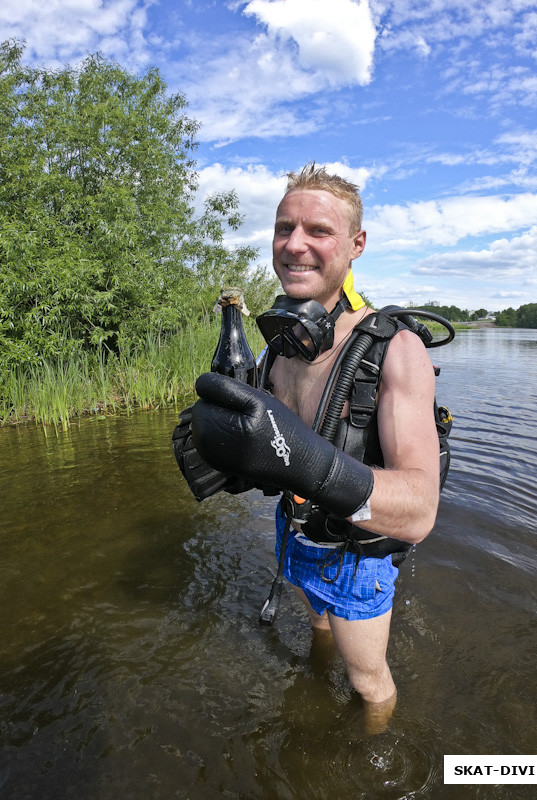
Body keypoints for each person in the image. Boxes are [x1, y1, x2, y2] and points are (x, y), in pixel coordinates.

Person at [189, 163, 441, 726]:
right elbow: (269, 452)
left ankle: (370, 758)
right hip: (295, 531)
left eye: (318, 231)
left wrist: (304, 462)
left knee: (369, 683)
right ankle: (316, 663)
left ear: (356, 245)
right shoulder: (279, 348)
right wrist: (223, 454)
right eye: (283, 228)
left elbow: (421, 510)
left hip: (357, 553)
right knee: (318, 627)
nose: (294, 245)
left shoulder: (395, 351)